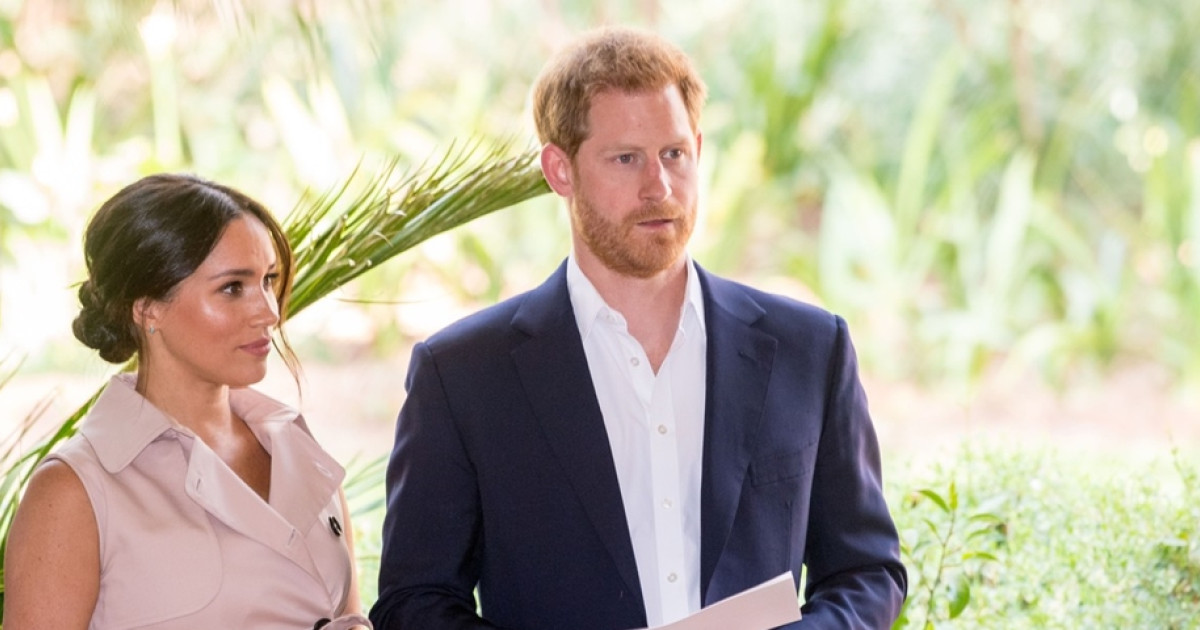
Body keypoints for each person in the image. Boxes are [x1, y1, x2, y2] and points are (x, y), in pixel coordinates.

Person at [370, 26, 906, 630]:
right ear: (560, 170)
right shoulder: (462, 376)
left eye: (674, 154)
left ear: (697, 149)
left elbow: (867, 571)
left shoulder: (809, 349)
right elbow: (413, 602)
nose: (660, 187)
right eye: (626, 159)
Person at [3, 174, 371, 629]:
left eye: (268, 280)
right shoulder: (75, 490)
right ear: (148, 307)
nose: (269, 312)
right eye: (233, 287)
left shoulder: (301, 450)